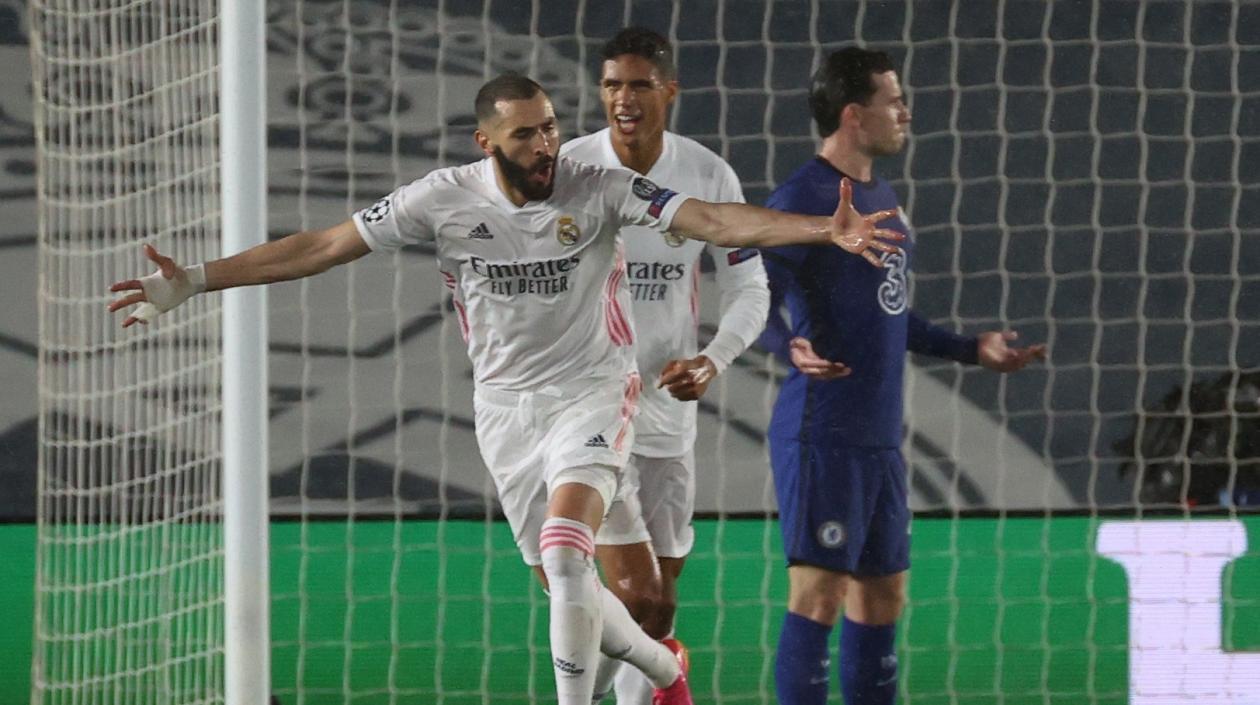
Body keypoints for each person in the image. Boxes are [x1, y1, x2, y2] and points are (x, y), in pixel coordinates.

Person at [108, 74, 903, 705]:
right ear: (486, 140)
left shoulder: (597, 187)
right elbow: (322, 244)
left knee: (566, 558)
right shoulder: (442, 198)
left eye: (552, 125)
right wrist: (197, 281)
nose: (546, 142)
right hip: (505, 412)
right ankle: (665, 671)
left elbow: (714, 220)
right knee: (584, 598)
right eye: (526, 132)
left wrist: (817, 228)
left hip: (595, 391)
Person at [757, 48, 1046, 705]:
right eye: (893, 99)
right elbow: (752, 292)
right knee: (819, 592)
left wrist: (973, 349)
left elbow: (889, 314)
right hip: (822, 431)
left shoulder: (883, 198)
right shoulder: (804, 196)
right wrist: (788, 342)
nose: (905, 110)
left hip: (879, 438)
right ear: (854, 114)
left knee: (883, 594)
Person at [560, 27, 771, 705]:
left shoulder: (706, 175)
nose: (624, 98)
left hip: (665, 407)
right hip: (585, 404)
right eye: (613, 84)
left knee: (659, 597)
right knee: (607, 581)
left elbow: (751, 287)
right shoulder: (568, 169)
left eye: (640, 85)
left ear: (669, 91)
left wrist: (712, 360)